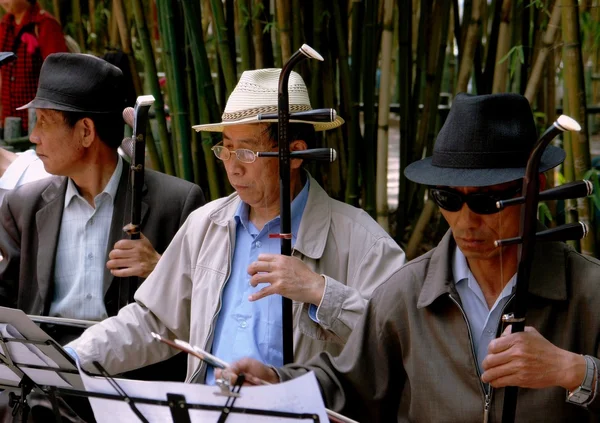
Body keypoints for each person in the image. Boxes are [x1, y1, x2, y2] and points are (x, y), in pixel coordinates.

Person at [225, 93, 600, 422]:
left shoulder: (590, 291)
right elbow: (349, 384)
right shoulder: (408, 293)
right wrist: (276, 382)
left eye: (488, 201)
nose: (466, 222)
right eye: (449, 199)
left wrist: (576, 371)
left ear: (537, 189)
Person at [66, 68, 406, 385]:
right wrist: (73, 358)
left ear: (296, 153)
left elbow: (400, 344)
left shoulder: (363, 241)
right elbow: (153, 321)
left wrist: (321, 291)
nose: (233, 168)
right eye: (225, 150)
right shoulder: (205, 225)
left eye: (246, 153)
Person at [0, 53, 205, 382]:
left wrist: (160, 267)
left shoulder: (176, 203)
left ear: (85, 131)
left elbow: (208, 308)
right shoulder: (23, 205)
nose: (34, 136)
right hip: (43, 383)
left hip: (132, 383)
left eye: (43, 121)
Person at [0, 0, 67, 134]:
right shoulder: (4, 25)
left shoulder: (44, 24)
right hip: (8, 119)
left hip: (38, 120)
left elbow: (59, 75)